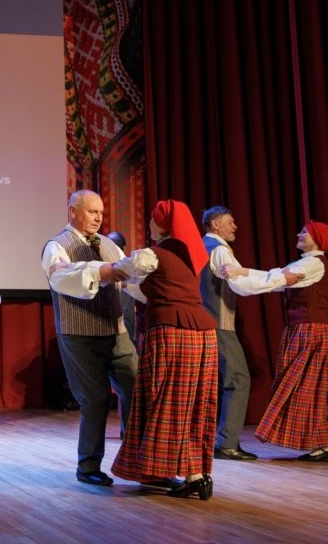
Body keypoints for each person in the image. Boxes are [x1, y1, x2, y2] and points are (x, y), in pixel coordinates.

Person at [110, 200, 219, 500]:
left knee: (165, 401)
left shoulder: (151, 255)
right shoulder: (193, 254)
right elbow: (158, 289)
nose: (149, 224)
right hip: (203, 334)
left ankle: (182, 473)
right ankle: (196, 474)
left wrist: (100, 271)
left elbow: (121, 270)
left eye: (152, 219)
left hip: (171, 332)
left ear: (162, 224)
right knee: (193, 404)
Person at [41, 189, 137, 487]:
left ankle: (139, 458)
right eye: (92, 211)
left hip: (116, 331)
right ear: (73, 211)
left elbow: (131, 278)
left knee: (137, 387)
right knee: (95, 399)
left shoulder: (109, 245)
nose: (98, 218)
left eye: (101, 212)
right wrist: (102, 273)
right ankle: (88, 466)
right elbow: (61, 278)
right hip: (79, 333)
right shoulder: (57, 245)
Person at [199, 206, 301, 461]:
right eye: (230, 222)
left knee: (213, 382)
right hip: (219, 324)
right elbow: (241, 284)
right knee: (238, 379)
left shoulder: (202, 246)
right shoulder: (220, 250)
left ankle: (213, 440)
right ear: (215, 224)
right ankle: (226, 443)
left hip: (204, 323)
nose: (235, 226)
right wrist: (281, 279)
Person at [251, 221, 328, 460]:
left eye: (305, 232)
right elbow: (275, 280)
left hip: (312, 330)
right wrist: (243, 275)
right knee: (307, 386)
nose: (299, 234)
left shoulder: (314, 263)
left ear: (319, 238)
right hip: (302, 329)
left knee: (304, 386)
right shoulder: (306, 263)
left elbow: (277, 279)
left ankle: (327, 444)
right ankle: (327, 443)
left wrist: (240, 273)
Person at [106, 231, 139, 345]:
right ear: (124, 248)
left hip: (105, 331)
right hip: (128, 330)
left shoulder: (100, 270)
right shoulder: (134, 269)